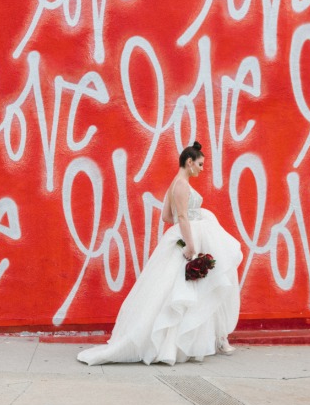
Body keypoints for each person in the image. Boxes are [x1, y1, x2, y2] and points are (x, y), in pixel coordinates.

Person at [77, 141, 243, 366]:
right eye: (200, 164)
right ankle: (185, 343)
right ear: (189, 161)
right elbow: (182, 217)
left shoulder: (174, 184)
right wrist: (191, 245)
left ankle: (201, 340)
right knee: (193, 290)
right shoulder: (182, 185)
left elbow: (167, 216)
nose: (202, 169)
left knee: (180, 291)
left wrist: (194, 218)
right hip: (190, 238)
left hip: (185, 235)